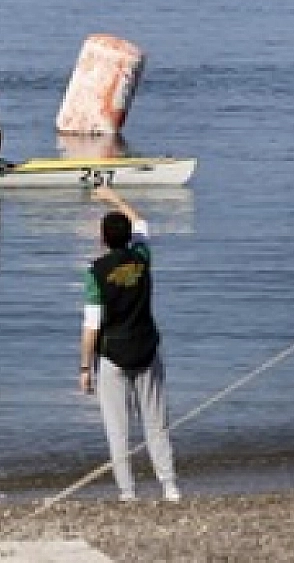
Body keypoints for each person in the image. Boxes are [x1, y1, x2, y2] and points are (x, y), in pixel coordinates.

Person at [79, 185, 179, 502]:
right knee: (156, 422)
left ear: (103, 240)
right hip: (146, 349)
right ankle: (169, 486)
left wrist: (85, 367)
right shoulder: (142, 258)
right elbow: (142, 224)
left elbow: (91, 326)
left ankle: (128, 492)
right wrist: (115, 199)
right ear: (127, 238)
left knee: (117, 428)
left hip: (113, 355)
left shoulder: (96, 272)